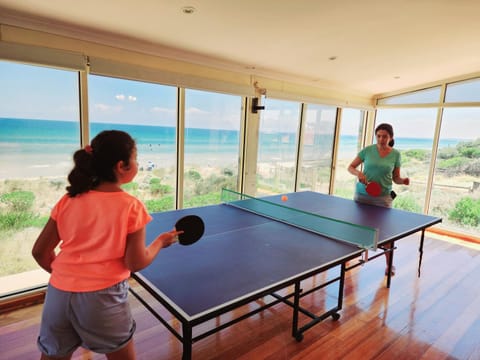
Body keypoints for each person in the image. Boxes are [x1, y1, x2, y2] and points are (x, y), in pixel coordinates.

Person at [32, 130, 182, 360]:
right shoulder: (131, 206)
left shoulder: (68, 200)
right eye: (135, 157)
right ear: (122, 166)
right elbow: (136, 262)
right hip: (102, 298)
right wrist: (160, 241)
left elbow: (40, 252)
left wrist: (69, 276)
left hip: (58, 294)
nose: (138, 163)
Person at [347, 123, 409, 276]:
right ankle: (349, 258)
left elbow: (395, 178)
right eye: (379, 136)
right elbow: (351, 167)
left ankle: (389, 265)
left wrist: (403, 181)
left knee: (385, 233)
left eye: (385, 136)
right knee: (358, 228)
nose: (381, 139)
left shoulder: (396, 155)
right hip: (362, 195)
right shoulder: (367, 150)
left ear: (391, 138)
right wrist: (358, 174)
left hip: (383, 198)